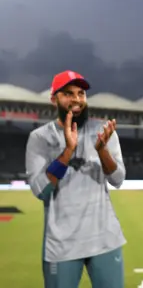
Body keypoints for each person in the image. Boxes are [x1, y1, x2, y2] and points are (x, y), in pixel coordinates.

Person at [25, 70, 126, 288]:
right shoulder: (40, 138)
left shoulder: (103, 131)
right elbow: (40, 190)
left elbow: (118, 179)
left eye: (81, 93)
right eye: (68, 94)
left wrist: (102, 151)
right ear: (54, 99)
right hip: (62, 246)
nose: (77, 99)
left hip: (105, 240)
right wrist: (68, 151)